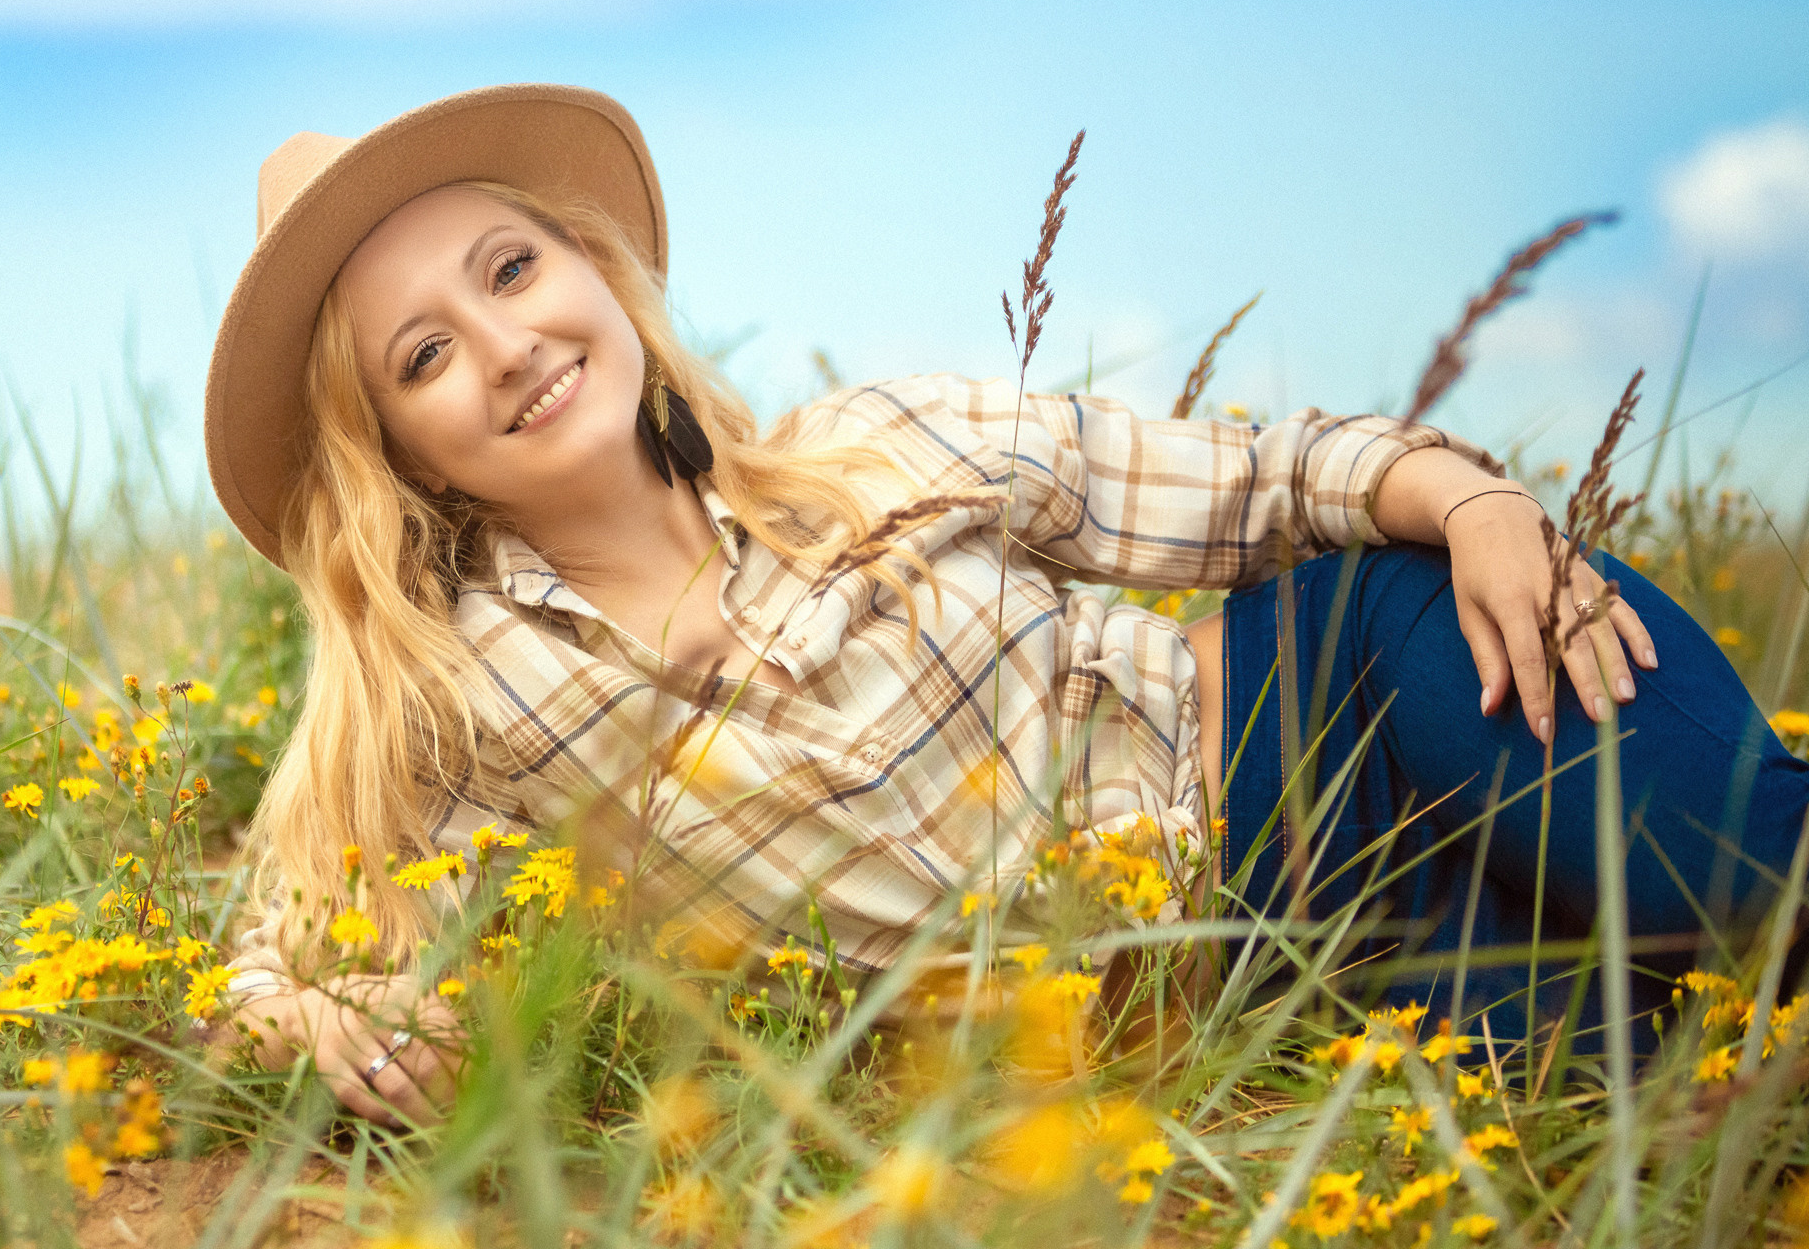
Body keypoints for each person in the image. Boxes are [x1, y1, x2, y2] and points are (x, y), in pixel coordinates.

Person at [199, 83, 1800, 1124]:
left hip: (1325, 721)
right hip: (1242, 977)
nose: (501, 345)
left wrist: (1473, 499)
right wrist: (315, 1016)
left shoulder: (878, 443)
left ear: (596, 275)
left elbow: (1255, 483)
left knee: (1738, 875)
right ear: (394, 451)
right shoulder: (460, 700)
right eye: (421, 355)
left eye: (508, 270)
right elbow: (279, 958)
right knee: (1661, 1081)